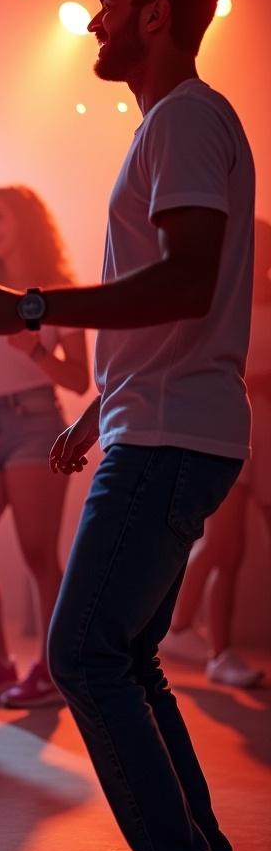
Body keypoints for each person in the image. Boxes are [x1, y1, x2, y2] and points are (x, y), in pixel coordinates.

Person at [0, 0, 253, 851]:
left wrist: (31, 304)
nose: (92, 24)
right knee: (130, 658)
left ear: (156, 16)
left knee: (80, 651)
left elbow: (185, 284)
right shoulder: (172, 126)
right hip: (151, 423)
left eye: (108, 5)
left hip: (169, 436)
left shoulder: (184, 121)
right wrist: (97, 412)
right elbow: (171, 308)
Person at [0, 187, 89, 708]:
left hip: (36, 423)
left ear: (27, 222)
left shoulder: (57, 292)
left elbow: (78, 380)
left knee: (36, 553)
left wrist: (34, 350)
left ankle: (51, 672)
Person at [164, 217, 271, 688]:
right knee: (228, 546)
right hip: (232, 431)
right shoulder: (221, 302)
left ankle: (180, 627)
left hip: (269, 436)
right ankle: (217, 651)